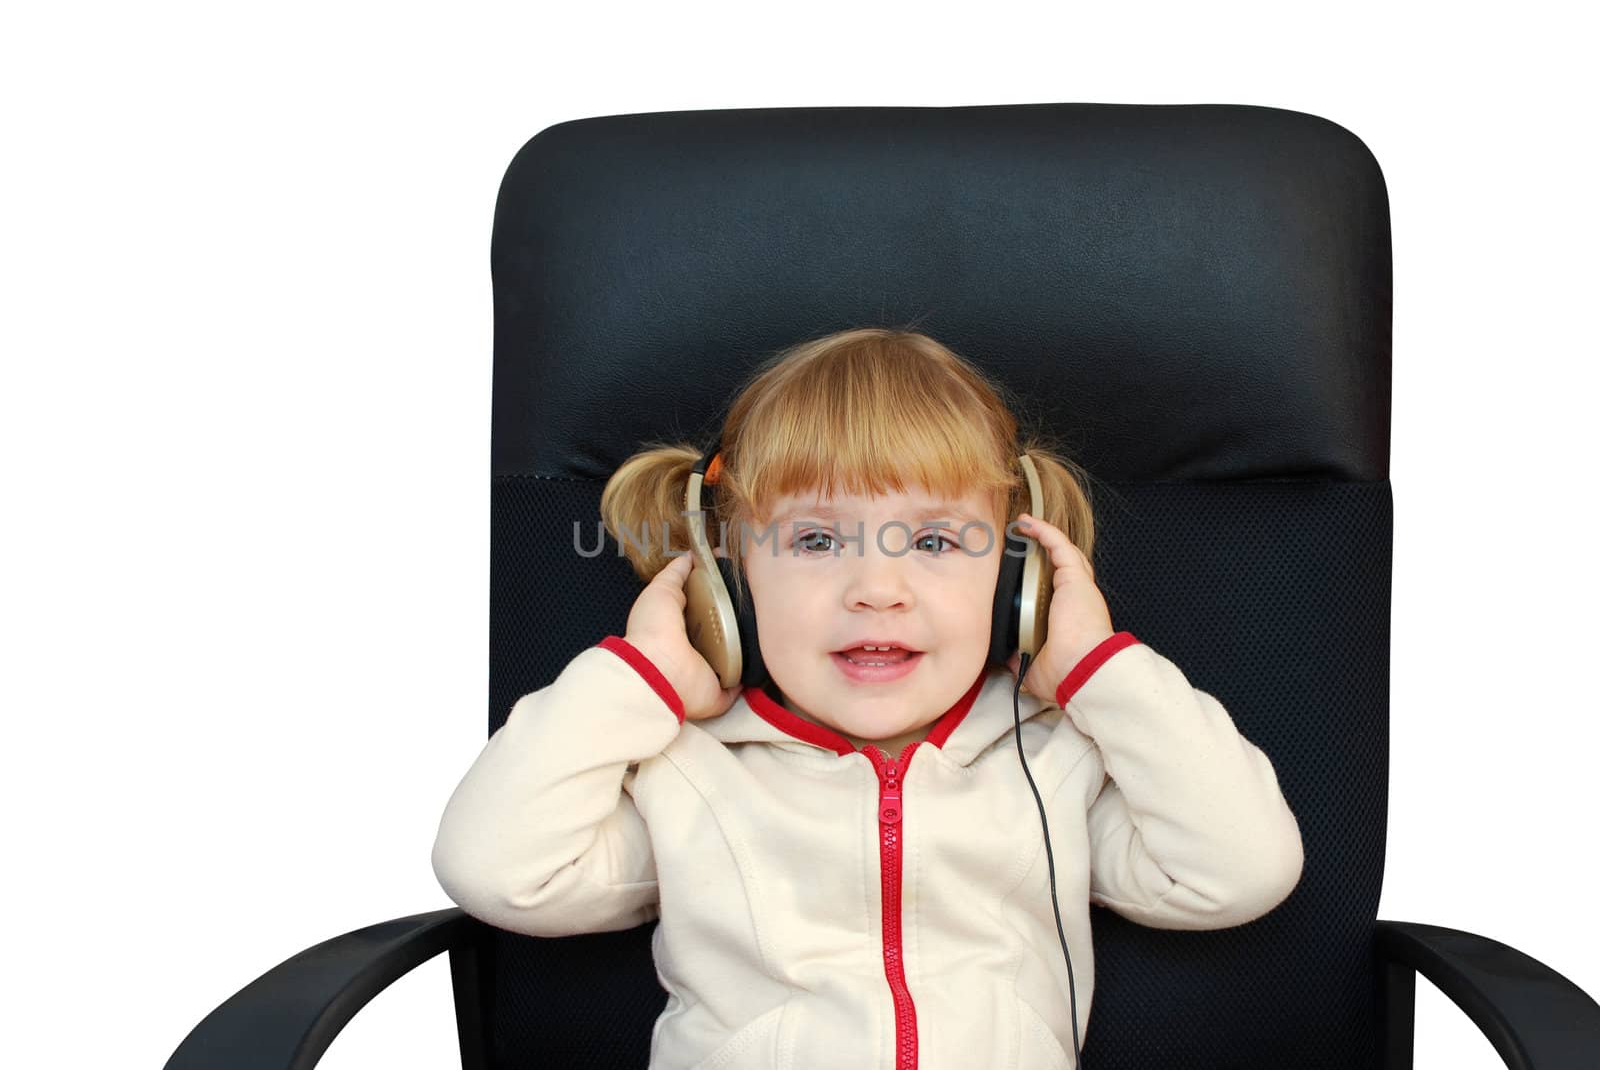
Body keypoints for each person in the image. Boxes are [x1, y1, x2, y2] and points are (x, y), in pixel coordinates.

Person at [430, 327, 1305, 1070]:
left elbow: (1241, 868)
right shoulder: (689, 775)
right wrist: (641, 675)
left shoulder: (1054, 763)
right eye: (813, 539)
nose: (875, 588)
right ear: (730, 583)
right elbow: (498, 869)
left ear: (1018, 580)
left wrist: (1096, 669)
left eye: (932, 538)